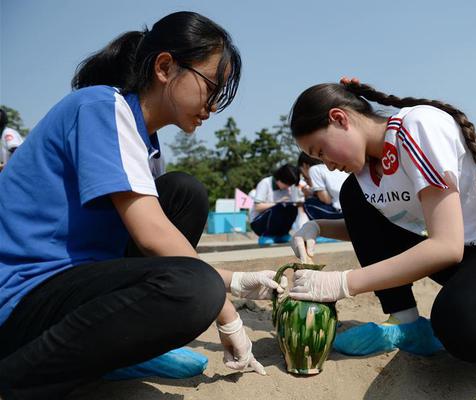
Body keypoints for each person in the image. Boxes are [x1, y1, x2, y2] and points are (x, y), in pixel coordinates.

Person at [0, 12, 285, 400]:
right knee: (195, 289)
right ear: (165, 67)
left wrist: (228, 283)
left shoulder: (145, 142)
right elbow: (151, 234)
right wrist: (227, 305)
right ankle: (18, 379)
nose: (213, 105)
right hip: (22, 297)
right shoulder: (101, 106)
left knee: (183, 194)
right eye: (211, 86)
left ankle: (110, 354)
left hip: (76, 287)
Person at [287, 79, 476, 365]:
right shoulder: (365, 173)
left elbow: (446, 247)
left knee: (462, 326)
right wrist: (317, 227)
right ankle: (405, 320)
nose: (328, 165)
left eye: (321, 151)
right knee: (353, 194)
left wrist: (344, 282)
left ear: (339, 118)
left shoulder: (417, 127)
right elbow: (374, 231)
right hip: (473, 255)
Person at [250, 163, 305, 245]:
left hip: (277, 221)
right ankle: (267, 235)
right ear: (279, 179)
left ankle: (283, 234)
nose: (288, 187)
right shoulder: (265, 183)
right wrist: (277, 203)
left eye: (290, 185)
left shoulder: (289, 187)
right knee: (278, 208)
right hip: (259, 222)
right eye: (287, 184)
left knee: (292, 208)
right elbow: (257, 207)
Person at [298, 152, 348, 220]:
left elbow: (326, 200)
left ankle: (323, 228)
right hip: (352, 207)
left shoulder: (313, 169)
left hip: (341, 212)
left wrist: (309, 194)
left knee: (309, 203)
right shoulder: (331, 167)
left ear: (304, 165)